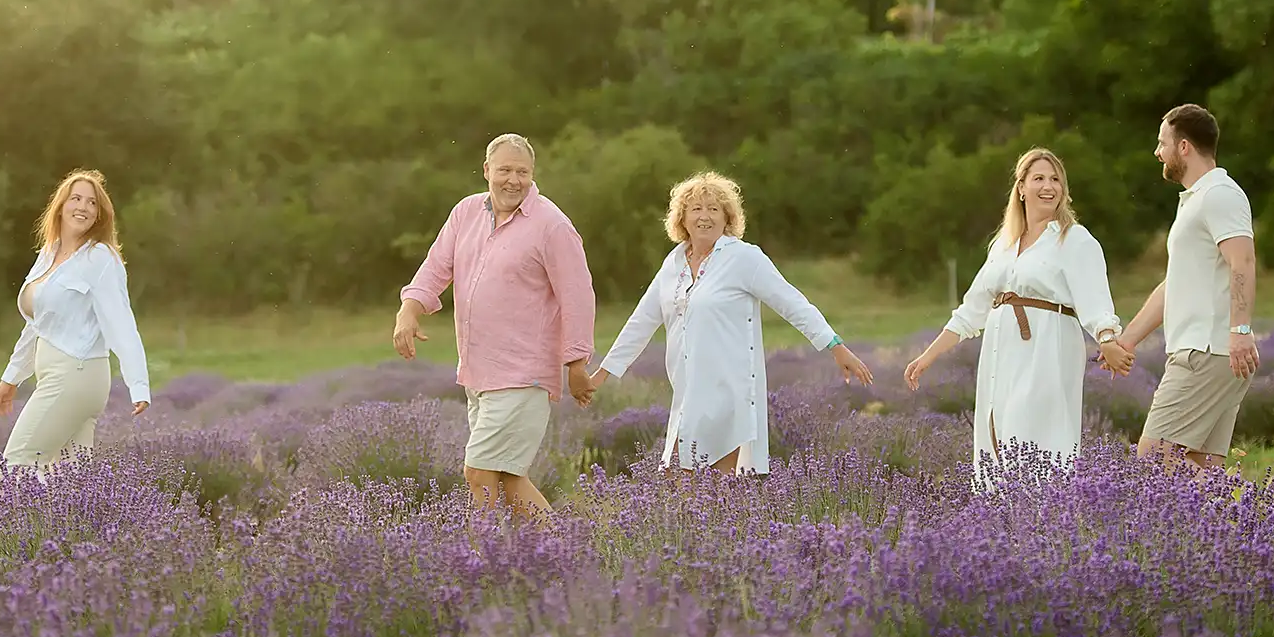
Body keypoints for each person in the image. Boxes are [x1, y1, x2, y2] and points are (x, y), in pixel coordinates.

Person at [589, 172, 873, 475]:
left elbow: (792, 303)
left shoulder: (744, 258)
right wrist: (601, 375)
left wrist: (834, 345)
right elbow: (641, 321)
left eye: (714, 209)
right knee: (682, 489)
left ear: (728, 218)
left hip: (729, 393)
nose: (705, 217)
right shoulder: (672, 265)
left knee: (709, 494)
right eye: (696, 209)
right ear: (682, 219)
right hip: (688, 393)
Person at [394, 134, 597, 523]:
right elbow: (436, 268)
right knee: (505, 479)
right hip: (478, 374)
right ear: (486, 170)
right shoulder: (466, 213)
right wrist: (409, 310)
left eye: (522, 172)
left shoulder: (552, 225)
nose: (513, 180)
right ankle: (563, 552)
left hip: (524, 374)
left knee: (479, 472)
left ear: (533, 175)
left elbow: (577, 295)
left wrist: (575, 362)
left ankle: (484, 562)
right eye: (504, 170)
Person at [902, 147, 1129, 488]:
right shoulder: (1003, 245)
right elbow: (970, 311)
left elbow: (1095, 299)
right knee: (998, 434)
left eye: (1055, 179)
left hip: (1048, 350)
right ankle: (1003, 530)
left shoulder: (1075, 240)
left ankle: (1047, 522)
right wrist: (927, 356)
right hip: (1001, 354)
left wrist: (1108, 339)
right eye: (1038, 178)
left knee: (1035, 435)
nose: (1048, 186)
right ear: (1021, 187)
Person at [1107, 104, 1258, 468]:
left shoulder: (1219, 194)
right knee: (1201, 470)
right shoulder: (1195, 201)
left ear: (1184, 147)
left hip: (1206, 351)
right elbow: (1172, 285)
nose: (1158, 152)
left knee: (1153, 462)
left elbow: (1244, 261)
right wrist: (1127, 340)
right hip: (1210, 352)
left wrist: (1240, 331)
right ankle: (1247, 527)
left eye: (1163, 143)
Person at [0, 170, 150, 476]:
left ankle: (15, 524)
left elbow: (121, 323)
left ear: (99, 214)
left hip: (75, 375)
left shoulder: (99, 258)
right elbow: (36, 325)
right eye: (76, 198)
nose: (83, 207)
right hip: (60, 375)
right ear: (61, 206)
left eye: (92, 203)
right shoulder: (49, 254)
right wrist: (12, 377)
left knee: (18, 462)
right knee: (69, 484)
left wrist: (139, 384)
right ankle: (78, 526)